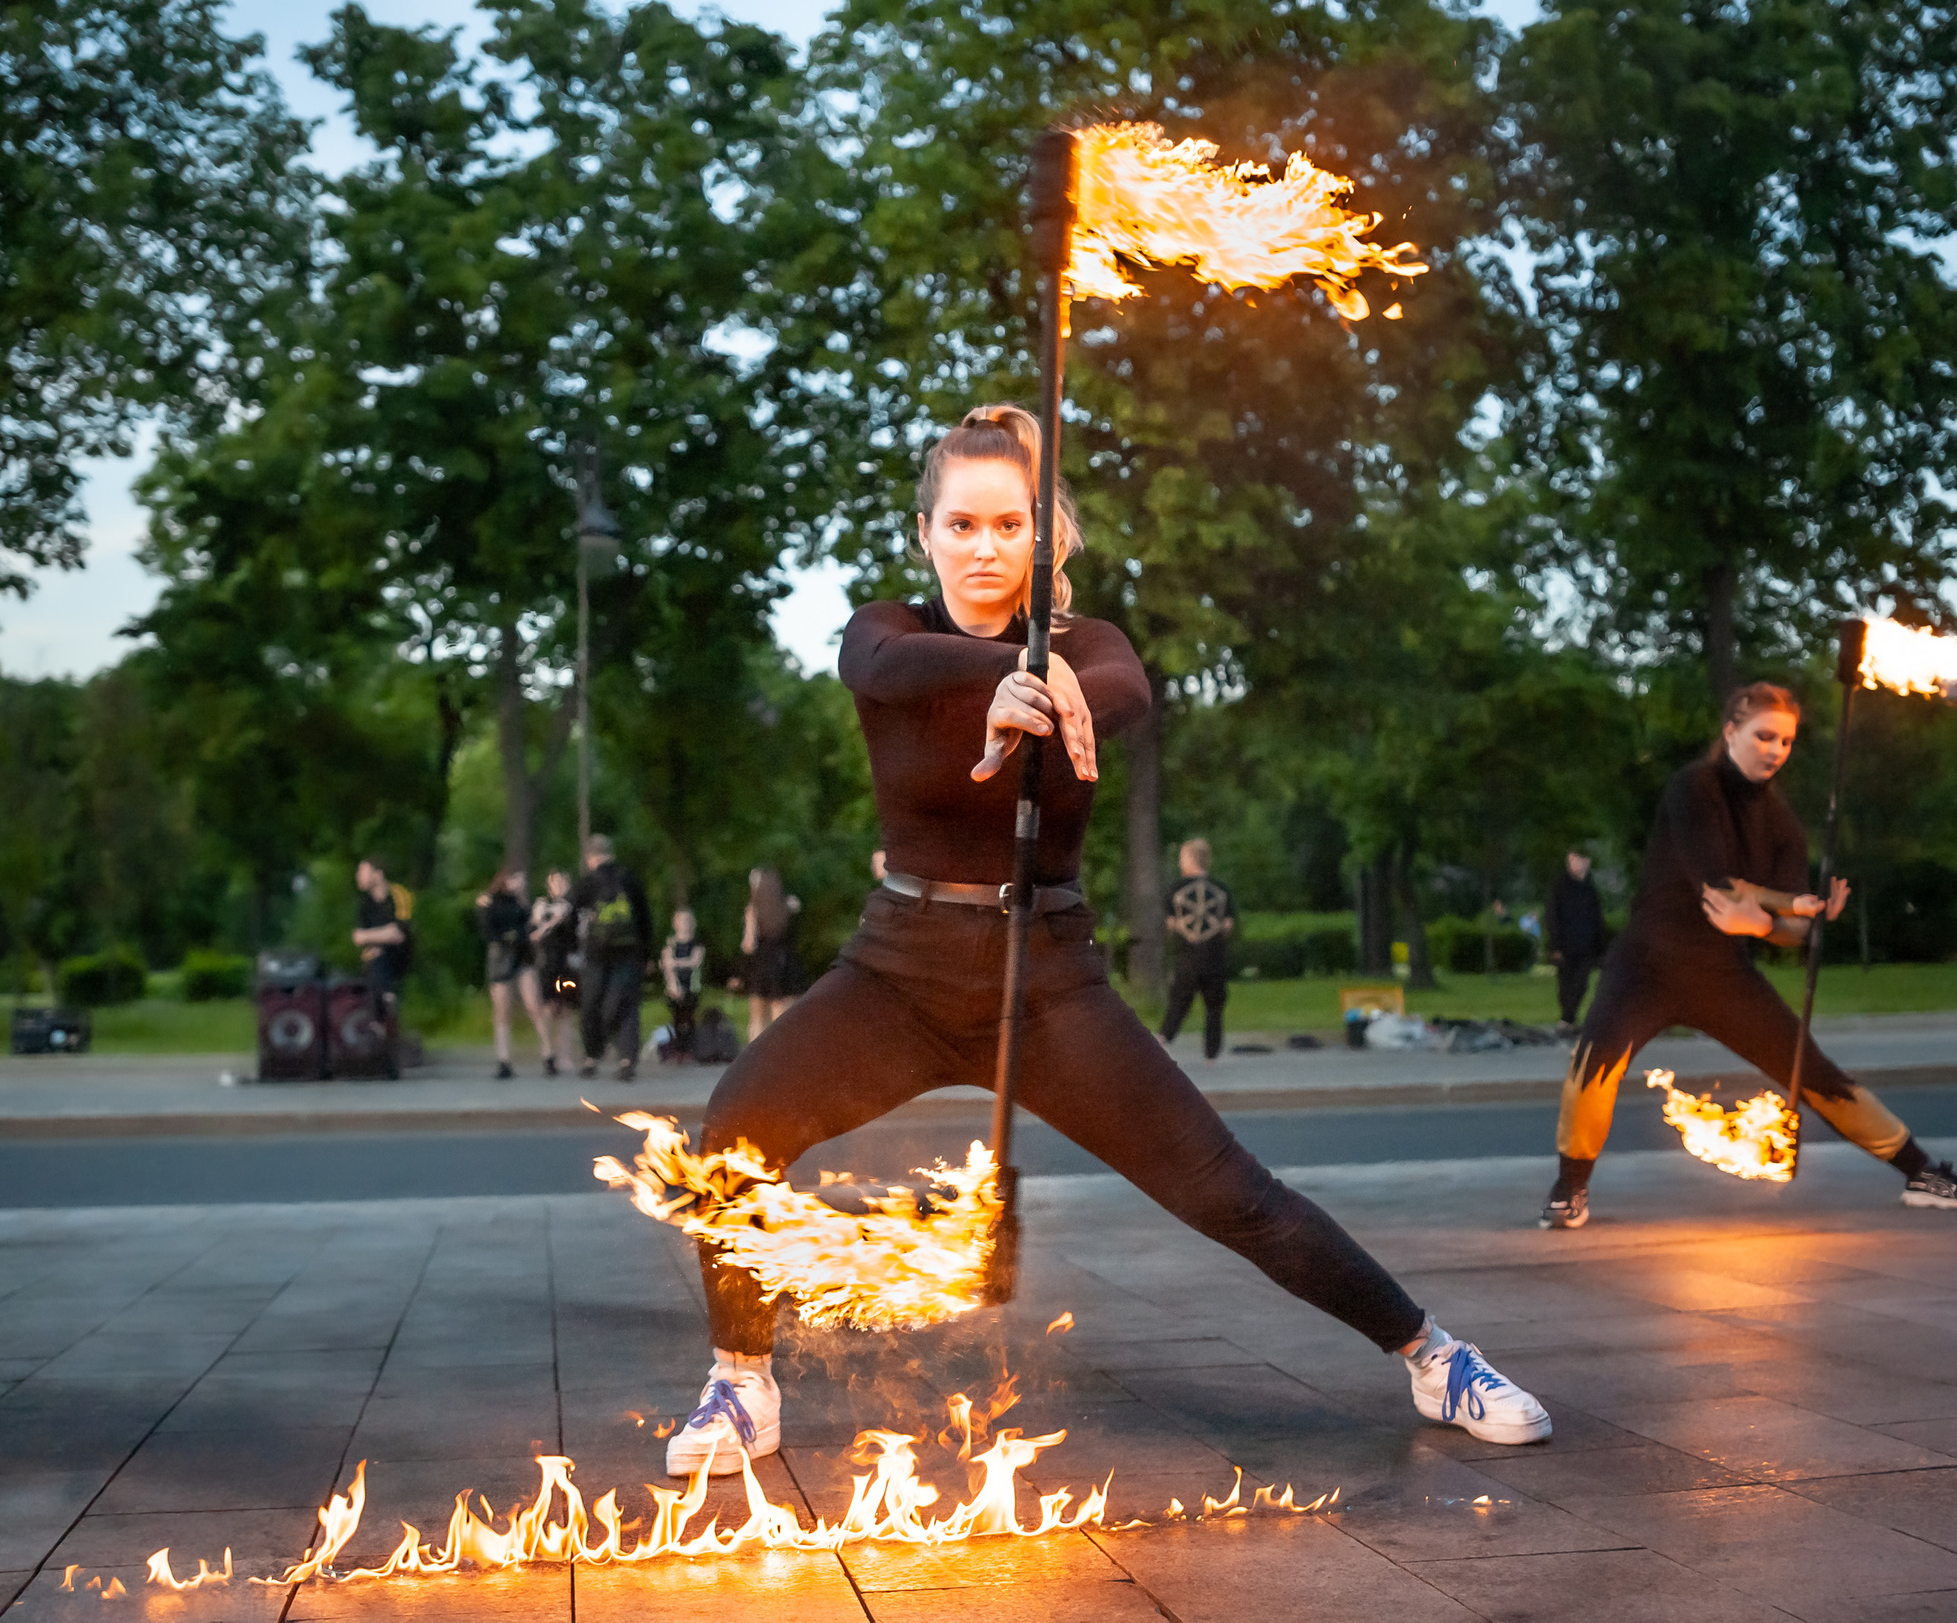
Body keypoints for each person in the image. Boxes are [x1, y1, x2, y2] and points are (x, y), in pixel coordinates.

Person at [662, 403, 1550, 1479]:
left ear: (1046, 538)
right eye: (962, 525)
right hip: (894, 972)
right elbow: (883, 670)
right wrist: (998, 684)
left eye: (1009, 526)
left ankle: (1432, 1354)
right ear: (924, 533)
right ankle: (742, 1383)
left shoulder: (1089, 649)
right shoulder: (883, 628)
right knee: (732, 1131)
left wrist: (1062, 680)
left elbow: (1129, 691)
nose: (984, 548)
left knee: (1232, 1193)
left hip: (1045, 982)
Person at [1541, 683, 1957, 1230]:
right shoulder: (1693, 788)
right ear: (1731, 732)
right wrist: (1786, 907)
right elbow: (1718, 883)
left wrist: (1777, 923)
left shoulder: (1783, 824)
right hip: (1646, 968)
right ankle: (1571, 1188)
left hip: (1723, 975)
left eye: (1786, 740)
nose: (1775, 749)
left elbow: (1794, 936)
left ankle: (1924, 1174)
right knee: (1593, 1068)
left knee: (1817, 1072)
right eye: (1763, 735)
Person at [574, 835, 652, 1082]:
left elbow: (570, 915)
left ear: (590, 858)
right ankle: (627, 1059)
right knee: (626, 1005)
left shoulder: (587, 883)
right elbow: (644, 919)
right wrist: (648, 955)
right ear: (611, 854)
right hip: (629, 954)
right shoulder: (629, 879)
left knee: (592, 1004)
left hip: (596, 956)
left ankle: (591, 1057)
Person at [1158, 838, 1235, 1063]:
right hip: (1214, 957)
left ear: (1191, 859)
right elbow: (1228, 926)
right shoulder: (1221, 890)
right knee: (1214, 1006)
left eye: (1182, 857)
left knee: (1179, 1000)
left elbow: (1170, 925)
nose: (1180, 862)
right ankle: (1211, 1055)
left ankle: (1163, 1040)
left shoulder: (1175, 890)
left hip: (1188, 956)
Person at [475, 868, 532, 1080]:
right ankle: (503, 1058)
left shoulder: (520, 904)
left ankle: (547, 1053)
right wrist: (510, 936)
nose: (521, 883)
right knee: (502, 1008)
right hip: (501, 956)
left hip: (521, 956)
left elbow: (527, 925)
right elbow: (489, 929)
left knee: (532, 1002)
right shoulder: (491, 901)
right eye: (517, 879)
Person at [735, 865, 802, 1041]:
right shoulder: (788, 905)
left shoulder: (752, 910)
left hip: (762, 962)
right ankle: (780, 1058)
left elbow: (748, 945)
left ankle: (754, 1061)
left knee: (757, 1018)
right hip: (783, 961)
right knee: (781, 1015)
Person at [1545, 850, 1608, 1035]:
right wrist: (1555, 945)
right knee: (1566, 983)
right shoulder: (1560, 886)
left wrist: (1599, 945)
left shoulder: (1589, 888)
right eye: (1572, 860)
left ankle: (1568, 1018)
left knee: (1581, 983)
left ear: (1586, 862)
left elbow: (1597, 918)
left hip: (1586, 945)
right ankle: (1567, 1019)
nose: (1575, 864)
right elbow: (1552, 916)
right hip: (1565, 945)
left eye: (1579, 860)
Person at [527, 869, 579, 1076]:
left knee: (566, 1009)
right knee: (547, 1007)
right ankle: (547, 1050)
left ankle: (564, 1056)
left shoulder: (573, 906)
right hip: (547, 963)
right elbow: (534, 933)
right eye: (555, 882)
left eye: (563, 882)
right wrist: (550, 921)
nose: (559, 886)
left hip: (567, 963)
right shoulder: (542, 906)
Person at [350, 859, 413, 1024]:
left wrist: (371, 936)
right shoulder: (365, 905)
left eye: (362, 872)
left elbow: (399, 933)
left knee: (381, 959)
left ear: (378, 874)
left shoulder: (398, 894)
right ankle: (380, 1017)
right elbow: (357, 937)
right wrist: (384, 934)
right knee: (374, 963)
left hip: (400, 956)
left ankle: (384, 1019)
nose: (358, 876)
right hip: (375, 959)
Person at [659, 908, 707, 1062]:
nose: (685, 925)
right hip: (675, 986)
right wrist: (673, 984)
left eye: (688, 921)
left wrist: (676, 963)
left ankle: (690, 1050)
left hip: (691, 986)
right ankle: (677, 1050)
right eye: (681, 921)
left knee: (689, 1018)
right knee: (676, 1019)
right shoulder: (671, 944)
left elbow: (696, 961)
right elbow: (667, 964)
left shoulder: (696, 943)